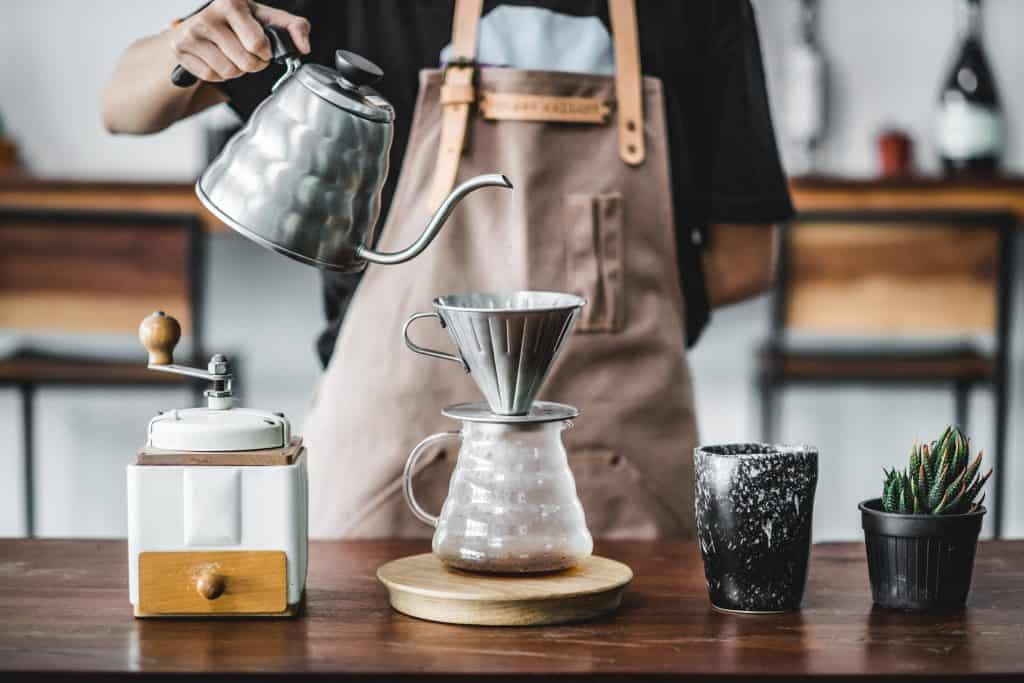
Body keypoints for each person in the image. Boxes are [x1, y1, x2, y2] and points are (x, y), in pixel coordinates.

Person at [105, 0, 793, 539]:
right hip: (391, 465)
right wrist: (188, 42)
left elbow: (747, 259)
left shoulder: (705, 10)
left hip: (630, 473)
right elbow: (122, 106)